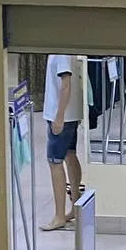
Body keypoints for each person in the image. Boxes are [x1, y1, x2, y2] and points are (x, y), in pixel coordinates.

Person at [42, 54, 83, 231]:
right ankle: (75, 207)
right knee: (70, 155)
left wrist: (59, 117)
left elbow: (65, 85)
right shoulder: (69, 49)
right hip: (71, 114)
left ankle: (59, 216)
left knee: (55, 163)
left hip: (61, 116)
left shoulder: (60, 53)